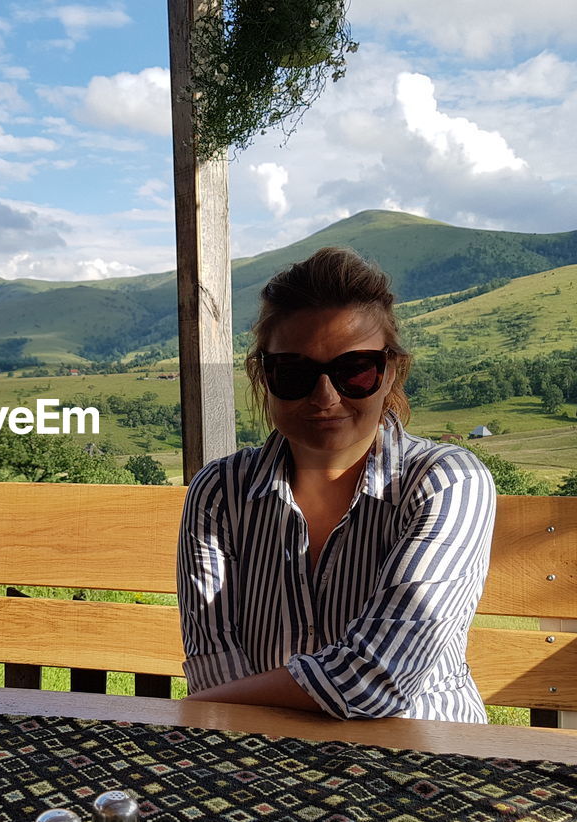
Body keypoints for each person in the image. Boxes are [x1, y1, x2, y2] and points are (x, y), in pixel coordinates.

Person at [176, 246, 496, 722]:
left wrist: (188, 711)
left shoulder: (447, 481)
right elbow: (214, 663)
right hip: (262, 758)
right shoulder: (219, 493)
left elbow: (373, 678)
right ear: (263, 377)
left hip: (423, 756)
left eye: (355, 371)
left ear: (391, 373)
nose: (325, 396)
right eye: (294, 373)